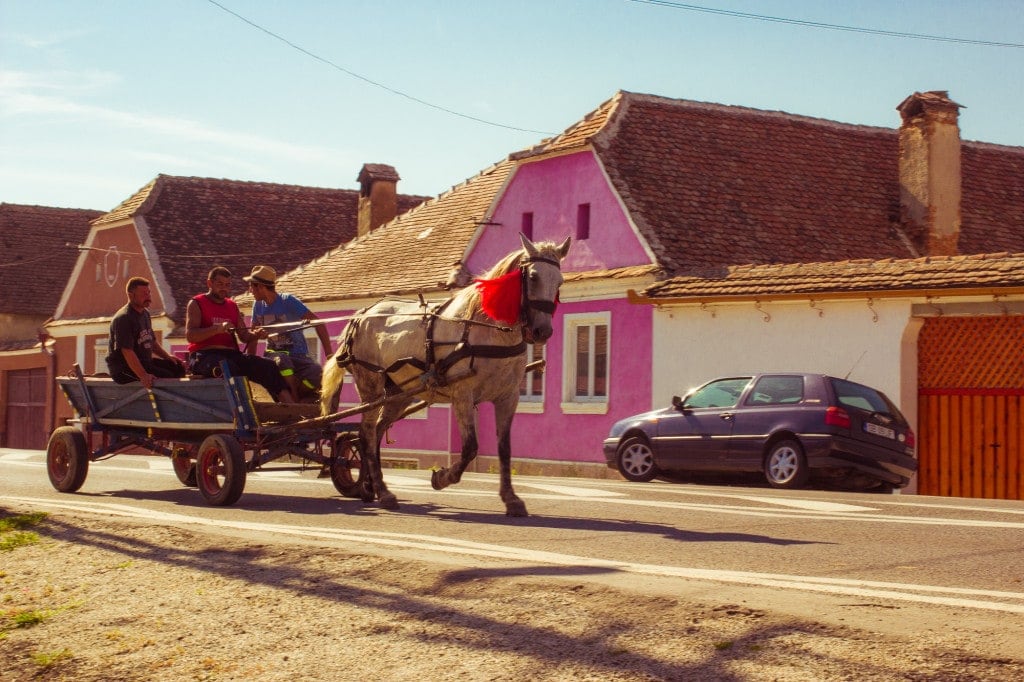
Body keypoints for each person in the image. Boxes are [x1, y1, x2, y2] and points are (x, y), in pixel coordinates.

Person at [185, 266, 295, 403]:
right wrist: (217, 329)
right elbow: (190, 335)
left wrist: (256, 335)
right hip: (204, 356)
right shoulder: (196, 303)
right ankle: (246, 410)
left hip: (232, 355)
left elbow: (244, 336)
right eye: (220, 284)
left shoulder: (232, 306)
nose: (224, 288)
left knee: (269, 366)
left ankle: (291, 408)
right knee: (228, 367)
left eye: (227, 285)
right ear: (209, 283)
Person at [244, 265, 332, 402]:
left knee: (318, 373)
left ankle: (297, 393)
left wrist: (329, 355)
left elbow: (318, 323)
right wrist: (250, 362)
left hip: (299, 356)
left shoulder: (288, 301)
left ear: (260, 286)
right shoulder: (257, 305)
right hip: (274, 356)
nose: (250, 291)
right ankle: (294, 399)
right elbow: (253, 336)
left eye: (251, 287)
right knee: (283, 360)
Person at [106, 276, 187, 388]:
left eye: (149, 293)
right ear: (131, 295)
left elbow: (152, 342)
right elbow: (127, 351)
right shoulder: (124, 318)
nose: (148, 296)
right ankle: (164, 404)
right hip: (123, 369)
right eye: (144, 294)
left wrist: (168, 357)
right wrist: (143, 375)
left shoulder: (145, 314)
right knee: (166, 376)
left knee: (177, 367)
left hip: (144, 362)